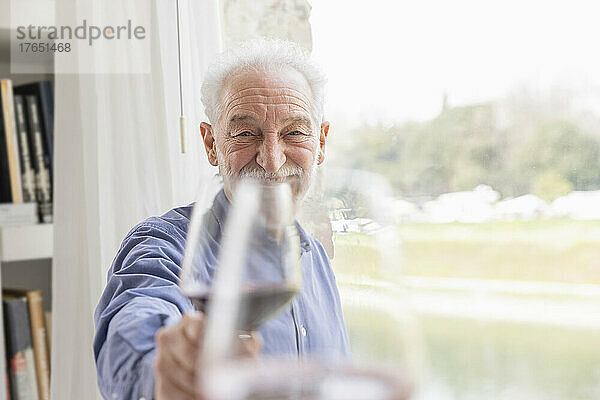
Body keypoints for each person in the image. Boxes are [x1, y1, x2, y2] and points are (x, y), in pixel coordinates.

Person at [93, 38, 350, 400]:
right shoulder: (165, 244)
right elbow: (132, 331)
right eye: (246, 133)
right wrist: (164, 371)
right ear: (211, 143)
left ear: (320, 143)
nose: (272, 161)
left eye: (294, 132)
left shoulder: (316, 257)